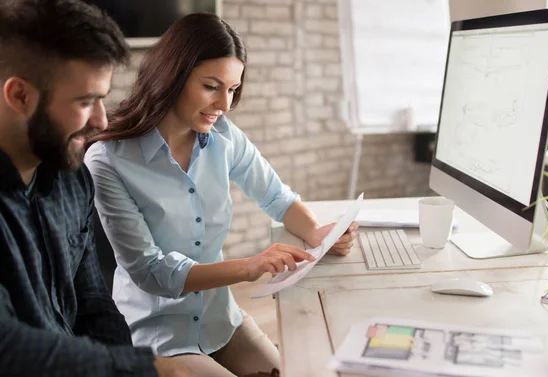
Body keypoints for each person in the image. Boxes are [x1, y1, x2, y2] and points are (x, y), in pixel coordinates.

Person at [84, 12, 359, 377]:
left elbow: (276, 196)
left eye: (232, 89)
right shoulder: (107, 160)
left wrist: (317, 233)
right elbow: (150, 272)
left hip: (220, 319)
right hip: (158, 333)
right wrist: (249, 266)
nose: (225, 104)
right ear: (173, 76)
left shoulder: (224, 137)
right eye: (212, 87)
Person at [0, 0, 193, 376]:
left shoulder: (72, 180)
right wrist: (146, 369)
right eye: (85, 102)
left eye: (101, 98)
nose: (101, 120)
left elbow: (92, 301)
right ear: (19, 96)